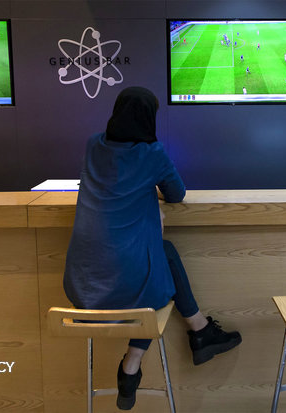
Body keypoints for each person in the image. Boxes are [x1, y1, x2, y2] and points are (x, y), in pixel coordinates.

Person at [63, 87, 242, 411]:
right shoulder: (152, 153)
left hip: (81, 284)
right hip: (130, 284)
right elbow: (176, 194)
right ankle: (163, 346)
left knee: (158, 261)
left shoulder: (93, 144)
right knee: (156, 276)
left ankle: (184, 339)